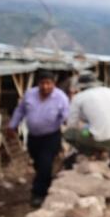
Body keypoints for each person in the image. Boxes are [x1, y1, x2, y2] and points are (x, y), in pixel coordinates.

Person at [7, 69, 69, 207]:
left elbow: (66, 115)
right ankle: (46, 183)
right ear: (38, 84)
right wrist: (13, 125)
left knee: (45, 164)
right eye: (43, 83)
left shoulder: (60, 97)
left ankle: (38, 194)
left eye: (49, 83)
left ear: (54, 84)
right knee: (38, 164)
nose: (45, 86)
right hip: (33, 137)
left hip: (51, 137)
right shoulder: (30, 95)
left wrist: (68, 124)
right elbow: (20, 110)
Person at [64, 72, 110, 169]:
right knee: (92, 129)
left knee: (69, 133)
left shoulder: (79, 98)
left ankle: (90, 152)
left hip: (103, 141)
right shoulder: (109, 91)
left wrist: (83, 129)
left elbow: (72, 124)